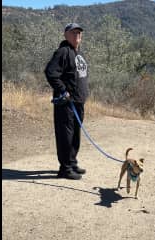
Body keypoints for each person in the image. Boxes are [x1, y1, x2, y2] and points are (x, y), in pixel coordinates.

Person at [44, 23, 89, 180]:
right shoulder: (62, 52)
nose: (77, 35)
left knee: (75, 134)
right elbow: (50, 72)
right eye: (74, 32)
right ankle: (65, 169)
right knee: (66, 135)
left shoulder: (78, 53)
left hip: (78, 102)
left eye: (79, 32)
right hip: (66, 103)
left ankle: (72, 162)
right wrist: (63, 90)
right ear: (66, 35)